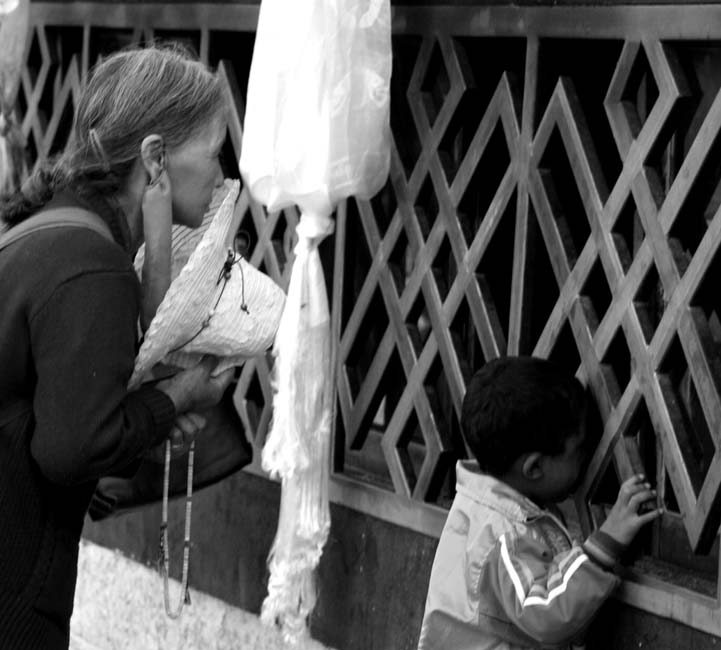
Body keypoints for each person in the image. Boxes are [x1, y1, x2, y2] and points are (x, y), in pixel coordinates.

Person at [0, 45, 235, 649]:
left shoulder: (55, 232)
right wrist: (178, 396)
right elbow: (73, 448)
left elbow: (63, 413)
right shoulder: (93, 265)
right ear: (155, 157)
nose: (220, 176)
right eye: (213, 152)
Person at [417, 356, 663, 650]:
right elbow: (546, 616)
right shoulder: (504, 534)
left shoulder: (481, 503)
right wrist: (605, 544)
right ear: (534, 468)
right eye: (579, 450)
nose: (587, 458)